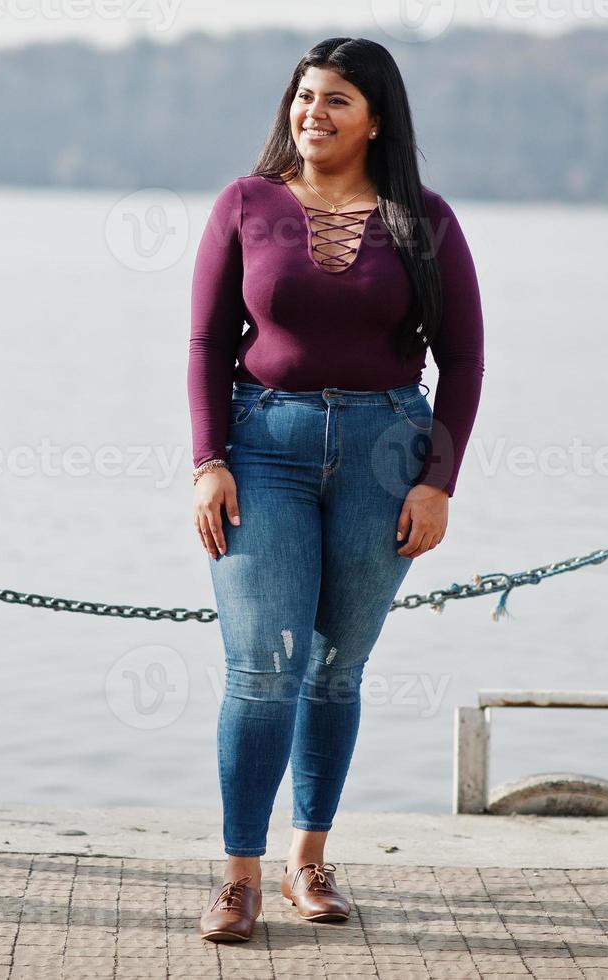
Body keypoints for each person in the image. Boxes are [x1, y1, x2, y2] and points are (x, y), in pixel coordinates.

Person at [187, 36, 486, 942]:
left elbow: (464, 360)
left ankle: (307, 862)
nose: (312, 113)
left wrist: (437, 482)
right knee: (262, 666)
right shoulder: (246, 203)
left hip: (383, 450)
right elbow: (205, 344)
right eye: (304, 96)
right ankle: (238, 875)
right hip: (263, 447)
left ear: (375, 120)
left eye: (336, 102)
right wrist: (209, 461)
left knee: (334, 669)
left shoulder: (422, 219)